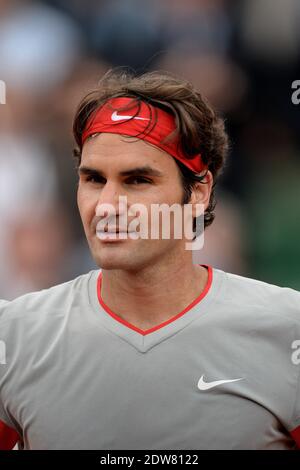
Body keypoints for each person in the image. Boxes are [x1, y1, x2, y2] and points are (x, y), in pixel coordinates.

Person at [0, 69, 299, 450]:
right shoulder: (13, 334)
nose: (106, 205)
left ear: (198, 192)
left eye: (137, 180)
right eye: (93, 179)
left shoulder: (288, 329)